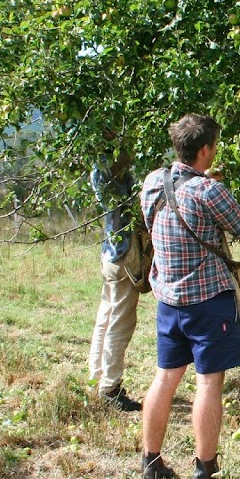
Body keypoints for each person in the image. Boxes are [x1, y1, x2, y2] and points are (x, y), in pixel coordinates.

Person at [139, 113, 240, 479]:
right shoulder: (209, 192)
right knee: (209, 382)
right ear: (205, 149)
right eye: (214, 146)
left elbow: (166, 217)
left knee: (165, 377)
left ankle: (151, 462)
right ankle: (205, 470)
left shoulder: (153, 181)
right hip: (208, 301)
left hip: (168, 299)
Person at [87, 153, 143, 412]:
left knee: (107, 315)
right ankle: (110, 387)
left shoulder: (100, 171)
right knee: (120, 322)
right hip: (122, 256)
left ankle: (97, 376)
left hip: (110, 254)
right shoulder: (108, 175)